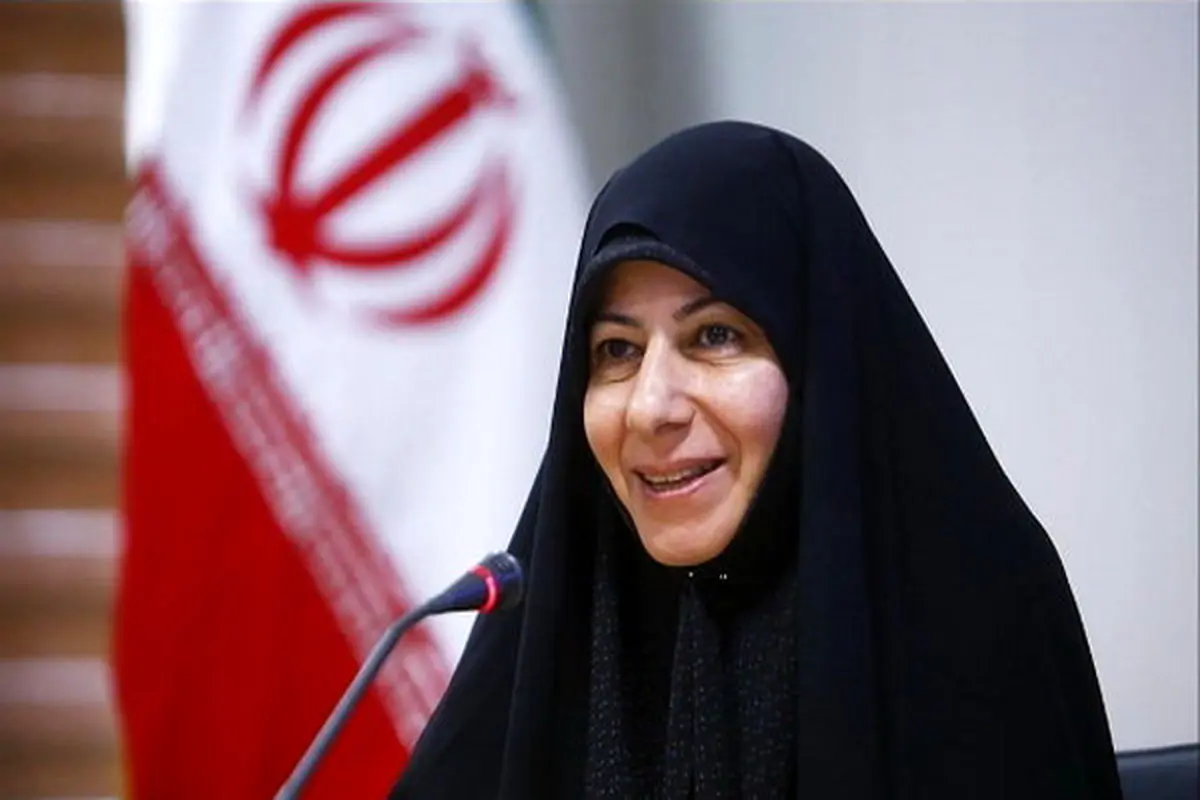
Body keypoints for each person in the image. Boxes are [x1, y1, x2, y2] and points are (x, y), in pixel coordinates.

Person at [390, 121, 1123, 798]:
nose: (651, 407)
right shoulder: (558, 621)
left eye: (715, 336)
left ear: (815, 364)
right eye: (617, 350)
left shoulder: (972, 608)